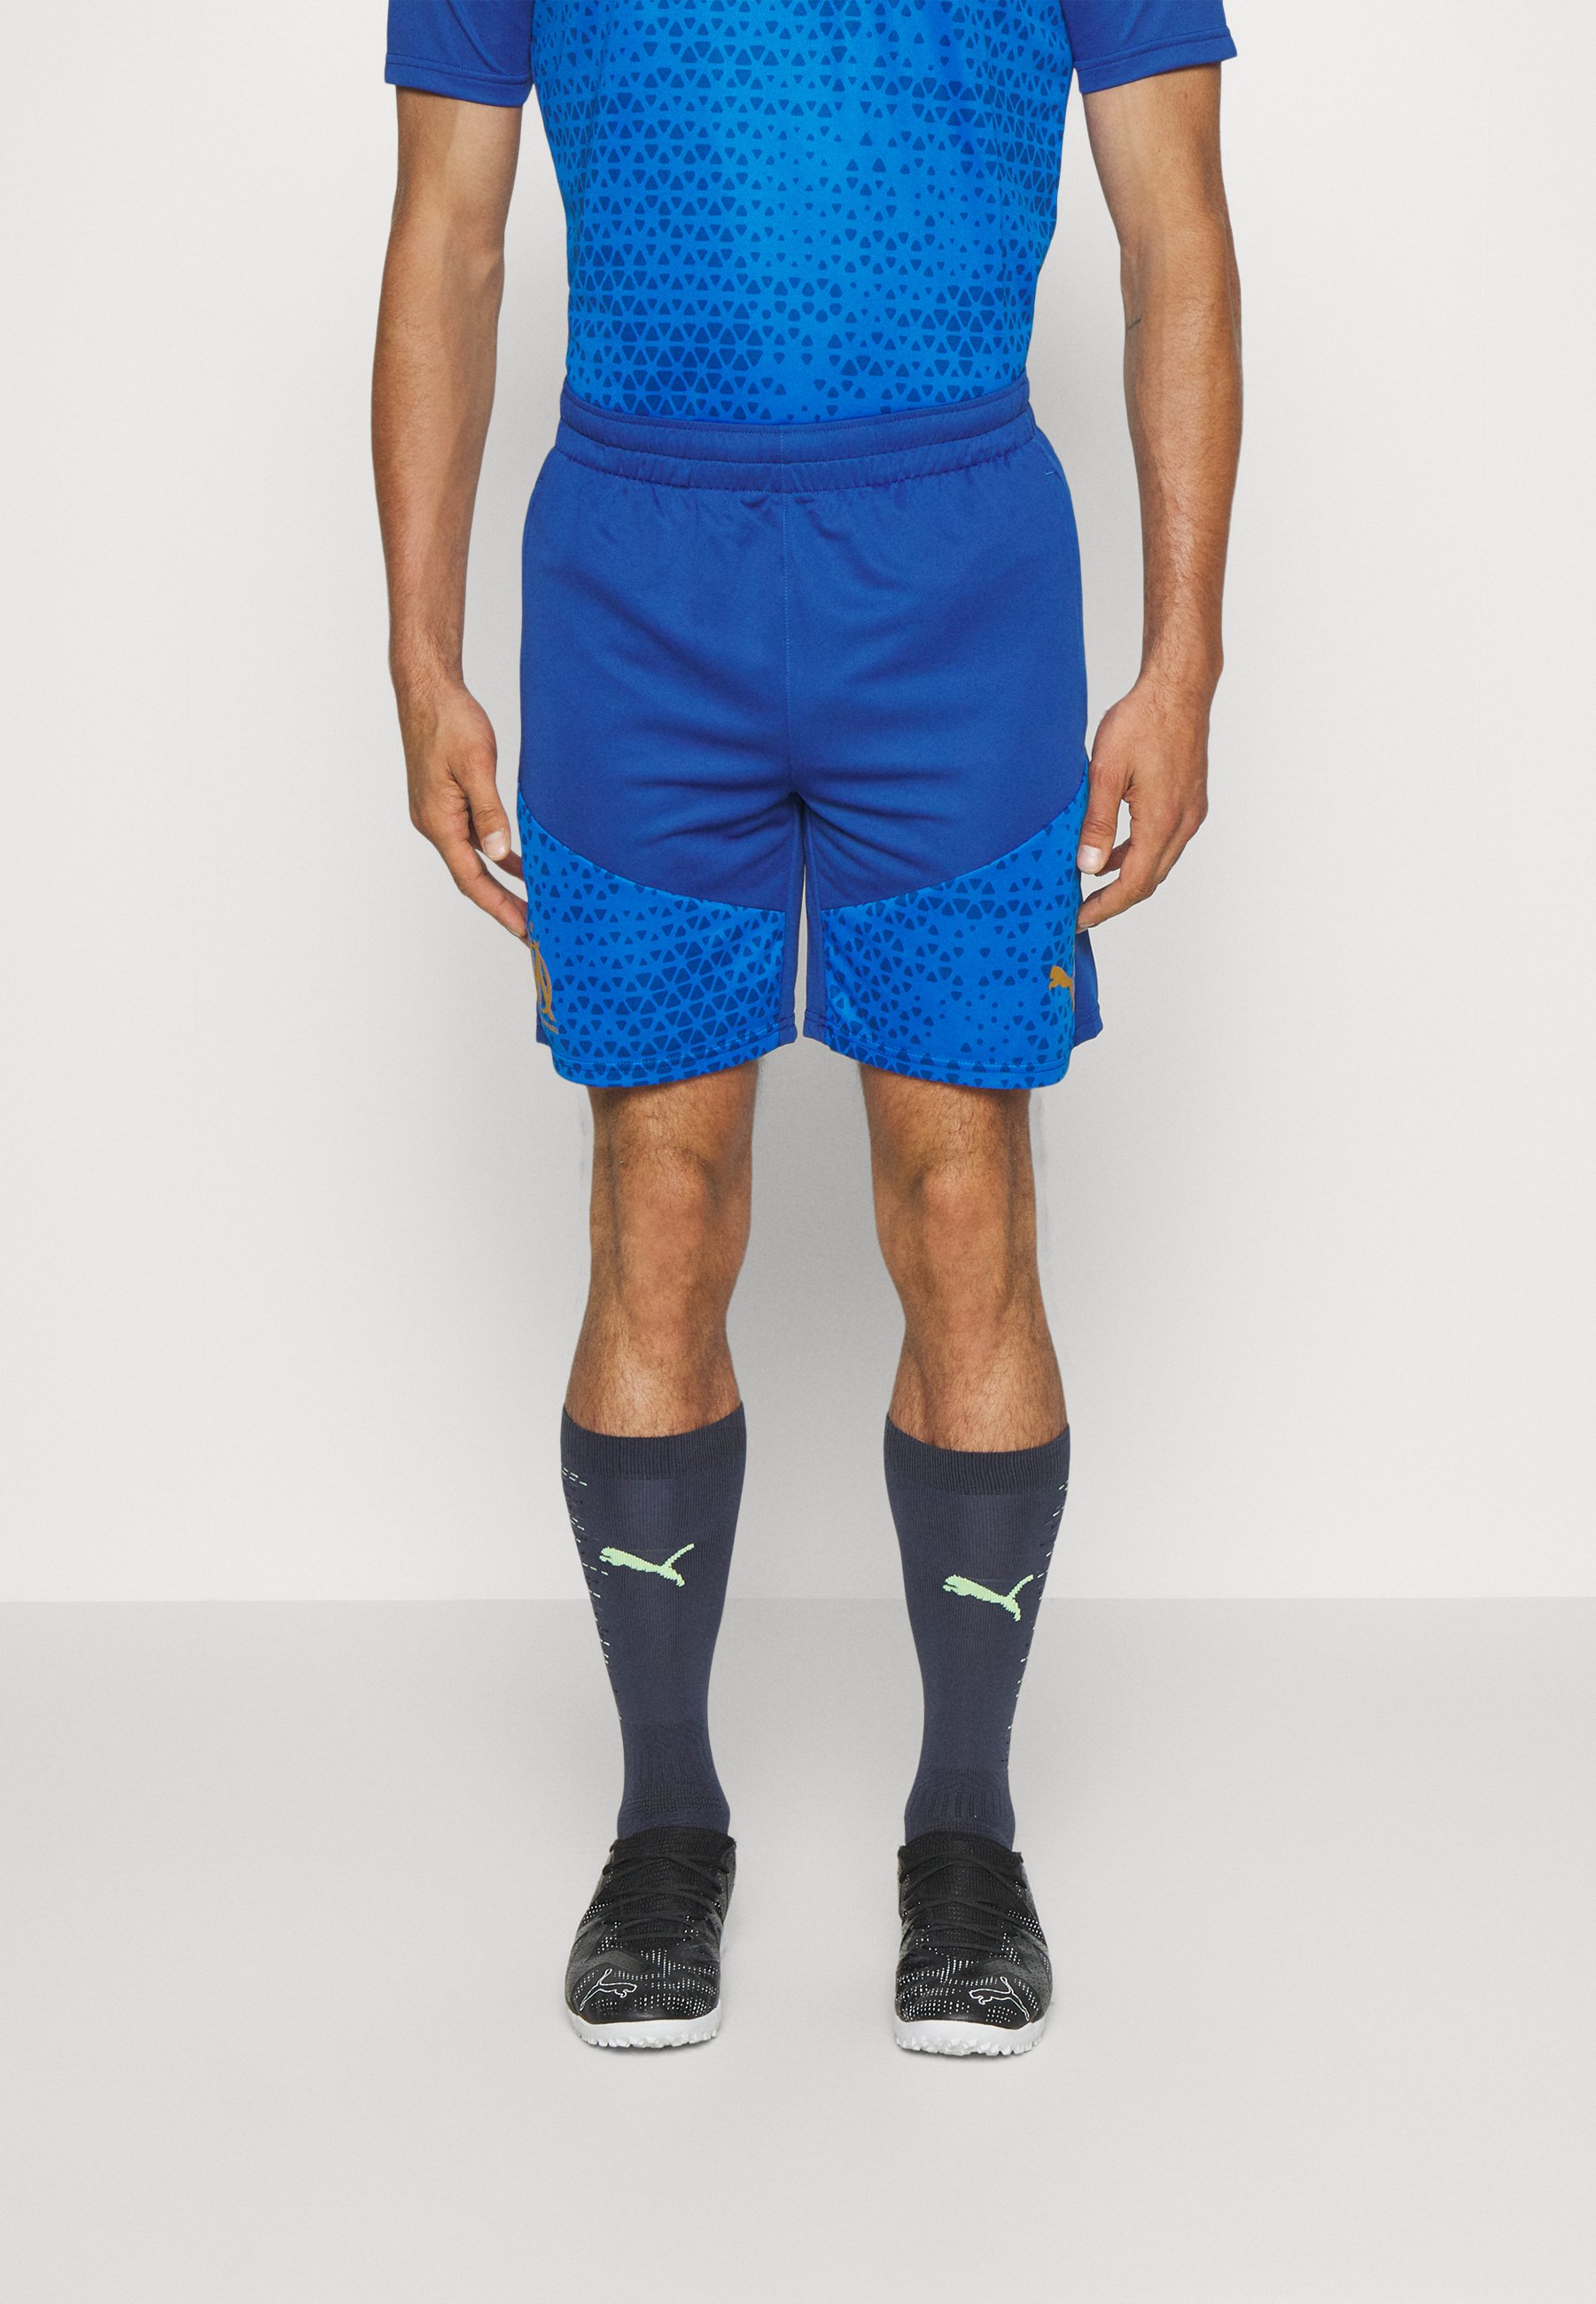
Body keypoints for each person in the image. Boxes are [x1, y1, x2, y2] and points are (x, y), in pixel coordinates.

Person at [373, 0, 1241, 2057]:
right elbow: (447, 239)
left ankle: (966, 1829)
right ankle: (665, 1821)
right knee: (657, 1201)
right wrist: (418, 652)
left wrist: (1184, 653)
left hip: (956, 575)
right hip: (631, 576)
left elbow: (1178, 231)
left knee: (962, 1205)